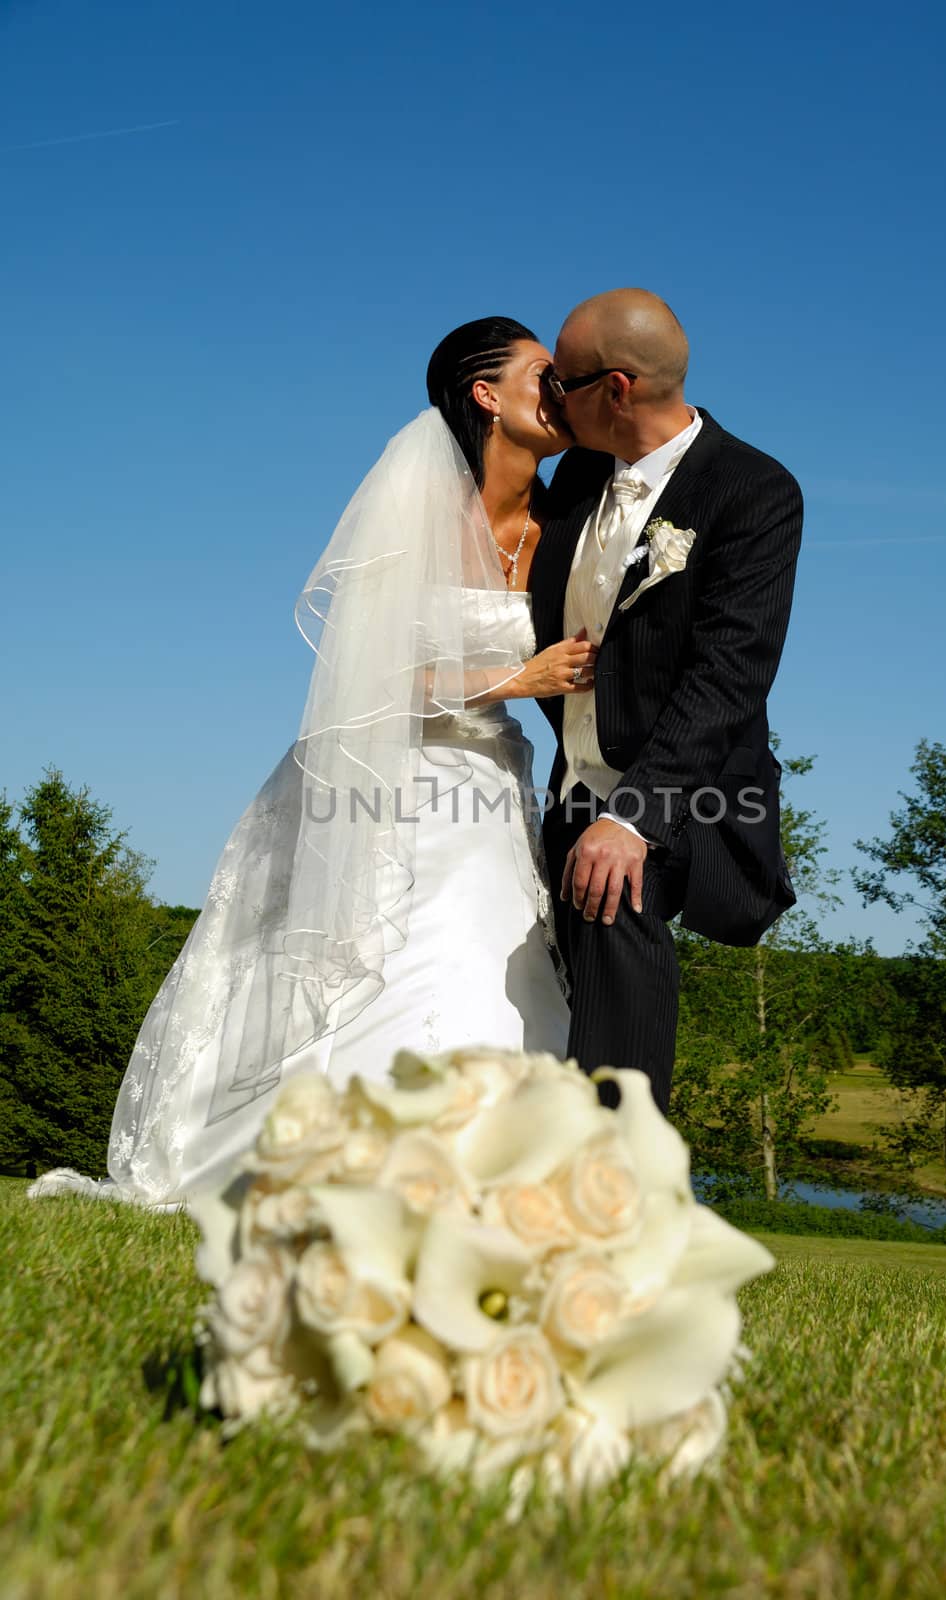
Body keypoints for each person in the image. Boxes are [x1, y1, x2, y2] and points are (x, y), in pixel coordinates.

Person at [28, 317, 592, 1210]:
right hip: (381, 780)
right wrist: (513, 676)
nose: (565, 393)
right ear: (486, 394)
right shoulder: (417, 509)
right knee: (383, 956)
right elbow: (362, 679)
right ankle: (335, 1172)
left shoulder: (569, 525)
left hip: (492, 787)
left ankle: (485, 1183)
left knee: (495, 965)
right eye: (545, 376)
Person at [529, 289, 803, 1118]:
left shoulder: (751, 490)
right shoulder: (576, 477)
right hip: (570, 782)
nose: (547, 398)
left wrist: (633, 820)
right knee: (536, 970)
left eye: (559, 381)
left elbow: (729, 673)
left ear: (614, 390)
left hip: (688, 792)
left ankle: (623, 1185)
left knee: (613, 895)